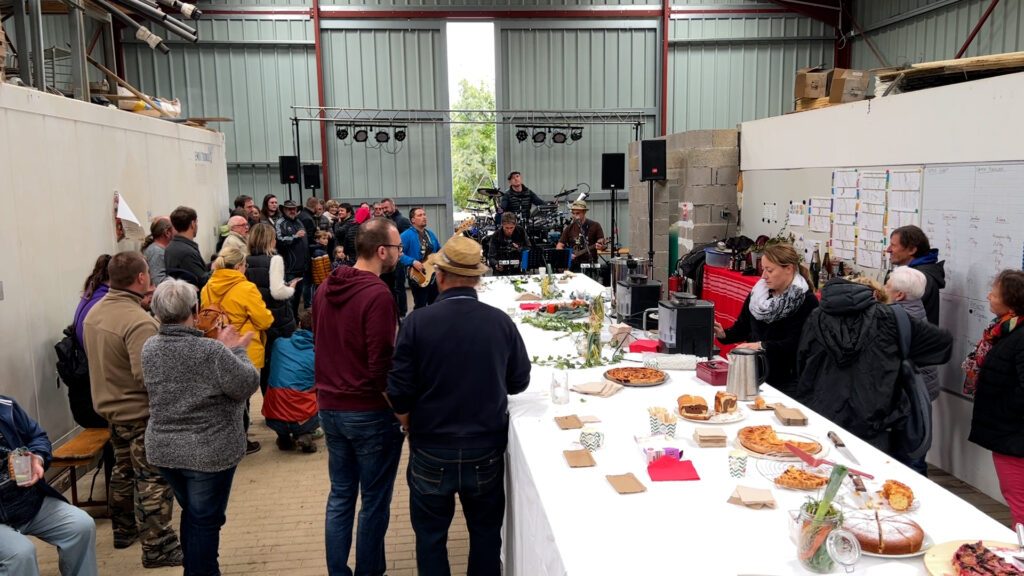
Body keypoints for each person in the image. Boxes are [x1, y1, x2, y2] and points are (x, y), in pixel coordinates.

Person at [387, 235, 530, 575]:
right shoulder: (500, 322)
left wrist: (407, 422)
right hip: (486, 448)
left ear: (439, 276)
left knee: (431, 537)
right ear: (478, 279)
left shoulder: (416, 323)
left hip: (431, 446)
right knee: (484, 536)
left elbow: (398, 391)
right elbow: (519, 382)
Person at [142, 279, 259, 576]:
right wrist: (237, 350)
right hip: (209, 451)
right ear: (194, 310)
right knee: (206, 521)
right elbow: (246, 384)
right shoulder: (211, 352)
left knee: (194, 515)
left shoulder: (150, 348)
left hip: (165, 450)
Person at [312, 217, 404, 576]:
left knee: (340, 496)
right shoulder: (377, 294)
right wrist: (401, 412)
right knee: (374, 503)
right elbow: (381, 364)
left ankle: (339, 571)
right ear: (382, 251)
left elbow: (321, 342)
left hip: (331, 408)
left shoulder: (324, 288)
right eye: (396, 248)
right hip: (368, 411)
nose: (399, 253)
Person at [82, 251, 182, 568]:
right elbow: (148, 376)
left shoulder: (94, 313)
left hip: (112, 411)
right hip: (140, 414)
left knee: (123, 472)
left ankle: (124, 531)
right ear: (141, 278)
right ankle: (158, 547)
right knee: (152, 479)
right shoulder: (138, 321)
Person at [796, 277, 952, 451]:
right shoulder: (890, 317)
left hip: (821, 412)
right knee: (871, 474)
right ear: (875, 294)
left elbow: (802, 361)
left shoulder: (816, 316)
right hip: (873, 418)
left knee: (818, 472)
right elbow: (942, 344)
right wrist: (901, 356)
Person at [0, 395, 98, 576]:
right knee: (20, 554)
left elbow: (37, 436)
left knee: (80, 526)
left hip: (26, 500)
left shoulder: (5, 407)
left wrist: (37, 458)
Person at [713, 243, 819, 398]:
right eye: (763, 269)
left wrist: (761, 346)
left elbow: (797, 344)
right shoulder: (758, 295)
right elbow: (743, 327)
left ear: (789, 269)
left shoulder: (806, 302)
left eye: (769, 270)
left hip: (788, 381)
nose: (764, 276)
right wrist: (724, 334)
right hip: (755, 374)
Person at [201, 245, 274, 455]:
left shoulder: (208, 286)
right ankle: (241, 440)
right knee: (243, 396)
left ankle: (228, 439)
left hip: (217, 346)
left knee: (225, 397)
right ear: (240, 266)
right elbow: (264, 319)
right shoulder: (246, 288)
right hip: (244, 346)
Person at [965, 270, 1024, 526]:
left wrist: (1000, 411)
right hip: (1009, 435)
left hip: (1014, 437)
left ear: (1011, 298)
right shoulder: (1004, 330)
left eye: (995, 291)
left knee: (1019, 504)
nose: (989, 295)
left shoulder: (1019, 336)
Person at [246, 222, 299, 396]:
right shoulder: (274, 260)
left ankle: (267, 405)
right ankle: (278, 408)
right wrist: (290, 288)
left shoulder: (244, 261)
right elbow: (277, 291)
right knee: (279, 365)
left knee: (264, 365)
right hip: (278, 321)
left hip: (255, 319)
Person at [263, 310, 319, 453]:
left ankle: (284, 436)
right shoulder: (321, 352)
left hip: (273, 414)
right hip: (302, 415)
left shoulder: (279, 344)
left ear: (299, 324)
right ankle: (304, 433)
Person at [887, 225, 945, 324]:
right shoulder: (915, 274)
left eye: (893, 245)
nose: (888, 249)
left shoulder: (917, 278)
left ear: (912, 250)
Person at [400, 207, 441, 310]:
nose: (424, 217)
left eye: (424, 214)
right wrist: (412, 261)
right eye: (420, 215)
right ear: (412, 220)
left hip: (432, 275)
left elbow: (439, 251)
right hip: (418, 276)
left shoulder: (430, 234)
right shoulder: (406, 235)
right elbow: (397, 253)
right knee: (420, 306)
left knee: (435, 305)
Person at [276, 200, 309, 317]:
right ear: (284, 210)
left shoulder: (299, 221)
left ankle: (296, 318)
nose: (292, 211)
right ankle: (290, 321)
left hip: (301, 266)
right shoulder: (281, 223)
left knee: (298, 297)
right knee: (289, 297)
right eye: (289, 209)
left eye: (294, 208)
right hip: (289, 267)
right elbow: (279, 241)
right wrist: (295, 237)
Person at [164, 206, 210, 290]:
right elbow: (202, 280)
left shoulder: (171, 247)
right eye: (197, 222)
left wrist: (211, 266)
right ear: (193, 224)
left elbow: (194, 268)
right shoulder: (186, 252)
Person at [555, 200, 605, 270]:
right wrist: (568, 255)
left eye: (577, 213)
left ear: (584, 212)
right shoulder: (569, 228)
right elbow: (559, 246)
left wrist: (601, 246)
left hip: (590, 264)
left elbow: (601, 242)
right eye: (573, 213)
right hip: (574, 265)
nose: (575, 216)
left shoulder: (595, 225)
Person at [141, 217, 173, 286]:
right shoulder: (156, 252)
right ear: (167, 232)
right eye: (175, 229)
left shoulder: (157, 249)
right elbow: (159, 283)